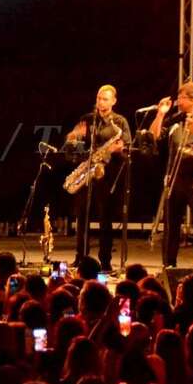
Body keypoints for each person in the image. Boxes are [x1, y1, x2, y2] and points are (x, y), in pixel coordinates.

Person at [149, 81, 193, 267]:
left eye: (182, 98)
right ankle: (168, 267)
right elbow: (154, 136)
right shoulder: (175, 120)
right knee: (171, 227)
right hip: (175, 179)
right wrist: (160, 114)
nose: (178, 101)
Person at [65, 84, 131, 271]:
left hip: (107, 175)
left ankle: (105, 260)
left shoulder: (120, 122)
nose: (100, 102)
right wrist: (73, 136)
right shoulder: (87, 119)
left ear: (114, 101)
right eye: (99, 98)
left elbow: (126, 144)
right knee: (82, 217)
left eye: (105, 99)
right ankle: (81, 257)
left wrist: (118, 148)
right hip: (88, 171)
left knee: (105, 219)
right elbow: (72, 144)